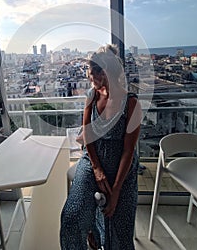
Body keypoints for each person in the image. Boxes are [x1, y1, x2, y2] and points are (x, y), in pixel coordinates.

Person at [60, 44, 142, 250]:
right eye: (89, 75)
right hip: (92, 161)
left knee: (119, 233)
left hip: (121, 170)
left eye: (94, 75)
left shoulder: (131, 104)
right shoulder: (92, 95)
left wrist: (115, 192)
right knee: (71, 217)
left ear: (107, 73)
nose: (91, 79)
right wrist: (96, 169)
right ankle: (90, 233)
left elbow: (128, 151)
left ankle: (98, 234)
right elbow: (87, 134)